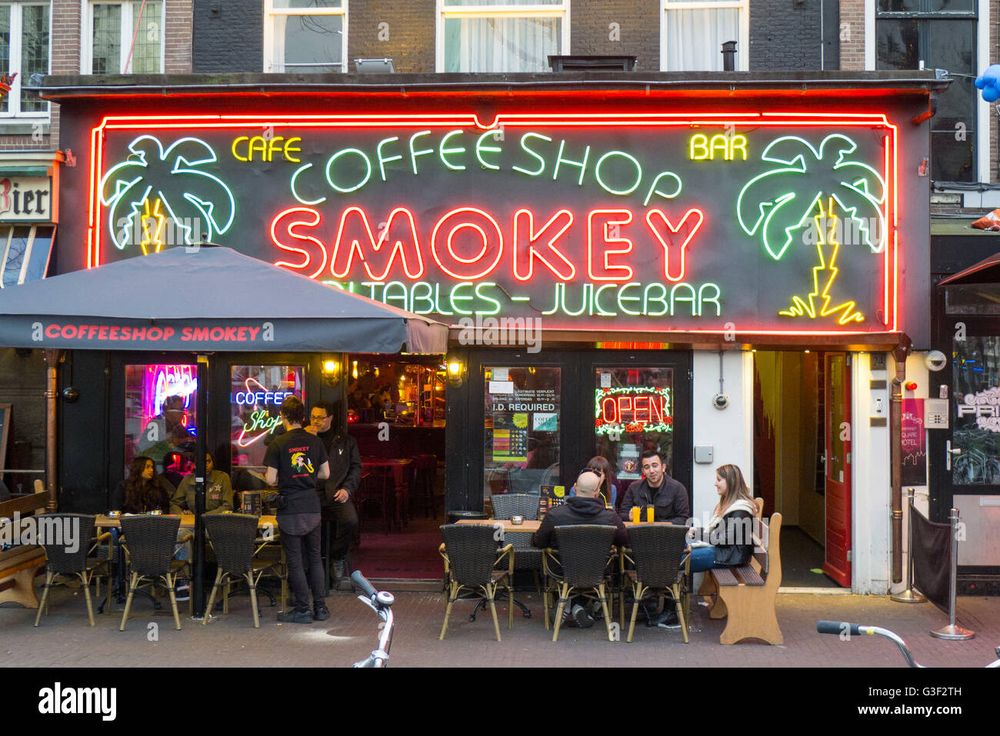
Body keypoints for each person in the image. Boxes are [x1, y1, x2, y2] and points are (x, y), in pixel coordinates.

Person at [532, 469, 628, 629]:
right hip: (598, 570)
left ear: (575, 487)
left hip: (561, 570)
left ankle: (566, 602)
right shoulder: (610, 517)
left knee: (566, 569)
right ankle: (580, 605)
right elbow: (625, 541)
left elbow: (539, 542)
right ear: (597, 492)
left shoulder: (555, 515)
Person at [264, 395, 330, 624]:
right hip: (312, 505)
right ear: (303, 417)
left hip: (290, 507)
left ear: (283, 416)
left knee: (295, 560)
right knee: (314, 557)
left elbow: (271, 479)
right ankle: (320, 608)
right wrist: (307, 476)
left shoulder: (278, 444)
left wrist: (286, 477)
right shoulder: (315, 441)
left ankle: (302, 609)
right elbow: (325, 474)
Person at [306, 401, 361, 588]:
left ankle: (337, 556)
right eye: (313, 417)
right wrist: (305, 439)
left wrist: (347, 489)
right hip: (312, 492)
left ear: (330, 418)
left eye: (320, 417)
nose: (316, 421)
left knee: (350, 521)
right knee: (305, 525)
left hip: (337, 491)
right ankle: (311, 568)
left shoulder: (346, 441)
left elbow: (355, 468)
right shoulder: (306, 439)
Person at [688, 464, 758, 573]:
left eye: (719, 480)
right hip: (725, 554)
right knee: (676, 554)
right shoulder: (732, 505)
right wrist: (697, 531)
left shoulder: (741, 510)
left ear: (731, 482)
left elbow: (724, 539)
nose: (715, 484)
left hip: (729, 558)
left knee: (677, 559)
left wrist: (699, 534)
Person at [619, 449, 690, 524]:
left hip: (667, 534)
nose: (651, 471)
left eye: (655, 466)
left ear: (663, 467)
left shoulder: (677, 488)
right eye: (647, 467)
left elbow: (683, 518)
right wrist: (629, 516)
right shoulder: (634, 488)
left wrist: (658, 525)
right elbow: (622, 514)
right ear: (643, 471)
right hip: (639, 533)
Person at [137, 395, 196, 468]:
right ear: (168, 410)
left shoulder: (178, 427)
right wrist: (173, 443)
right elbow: (147, 452)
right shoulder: (156, 425)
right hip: (156, 470)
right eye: (180, 410)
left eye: (183, 410)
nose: (183, 413)